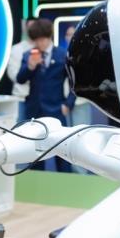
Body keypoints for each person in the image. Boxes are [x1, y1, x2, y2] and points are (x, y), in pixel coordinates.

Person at [15, 18, 73, 172]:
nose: (39, 44)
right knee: (35, 153)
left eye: (42, 39)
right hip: (34, 111)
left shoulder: (62, 55)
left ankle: (66, 181)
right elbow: (20, 79)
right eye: (36, 40)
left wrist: (68, 104)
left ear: (49, 37)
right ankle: (36, 182)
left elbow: (74, 83)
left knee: (62, 152)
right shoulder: (28, 55)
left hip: (57, 109)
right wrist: (30, 66)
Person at [6, 19, 36, 116]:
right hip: (21, 97)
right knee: (21, 124)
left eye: (35, 27)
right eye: (30, 27)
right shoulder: (16, 49)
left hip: (40, 100)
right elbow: (13, 74)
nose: (32, 30)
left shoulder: (43, 49)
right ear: (25, 29)